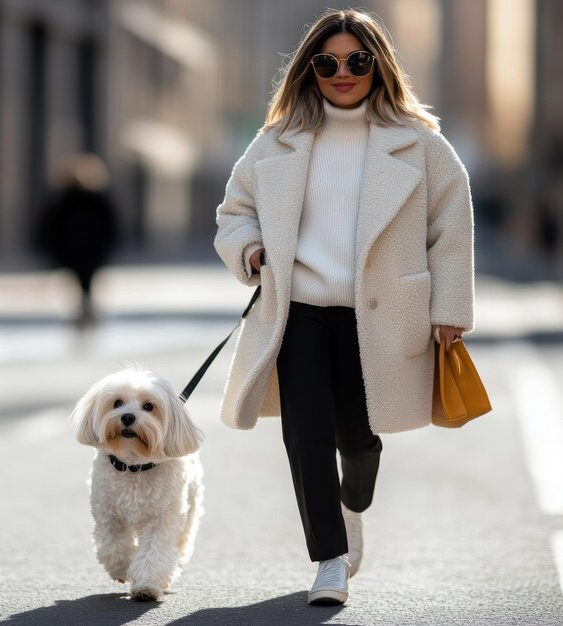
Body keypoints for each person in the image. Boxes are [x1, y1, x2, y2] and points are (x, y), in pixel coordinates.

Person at [214, 8, 474, 606]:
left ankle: (353, 503)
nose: (342, 73)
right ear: (310, 69)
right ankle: (329, 559)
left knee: (358, 440)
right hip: (297, 307)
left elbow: (451, 225)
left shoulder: (419, 143)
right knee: (307, 436)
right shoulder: (276, 140)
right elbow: (236, 212)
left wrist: (450, 305)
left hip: (378, 313)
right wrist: (251, 250)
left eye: (356, 61)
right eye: (326, 63)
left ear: (377, 64)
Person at [38, 153, 118, 327]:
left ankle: (83, 312)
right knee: (85, 283)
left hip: (77, 252)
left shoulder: (67, 200)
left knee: (81, 283)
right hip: (86, 252)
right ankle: (84, 311)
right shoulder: (92, 200)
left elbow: (51, 226)